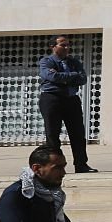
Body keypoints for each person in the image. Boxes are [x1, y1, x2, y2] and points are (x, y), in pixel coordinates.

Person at [37, 35, 96, 174]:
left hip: (71, 99)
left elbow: (82, 79)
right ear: (53, 47)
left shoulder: (74, 62)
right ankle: (55, 166)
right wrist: (71, 76)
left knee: (77, 134)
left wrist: (64, 76)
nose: (67, 48)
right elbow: (51, 76)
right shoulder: (46, 61)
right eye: (63, 45)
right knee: (52, 135)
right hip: (52, 99)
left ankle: (81, 164)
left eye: (68, 45)